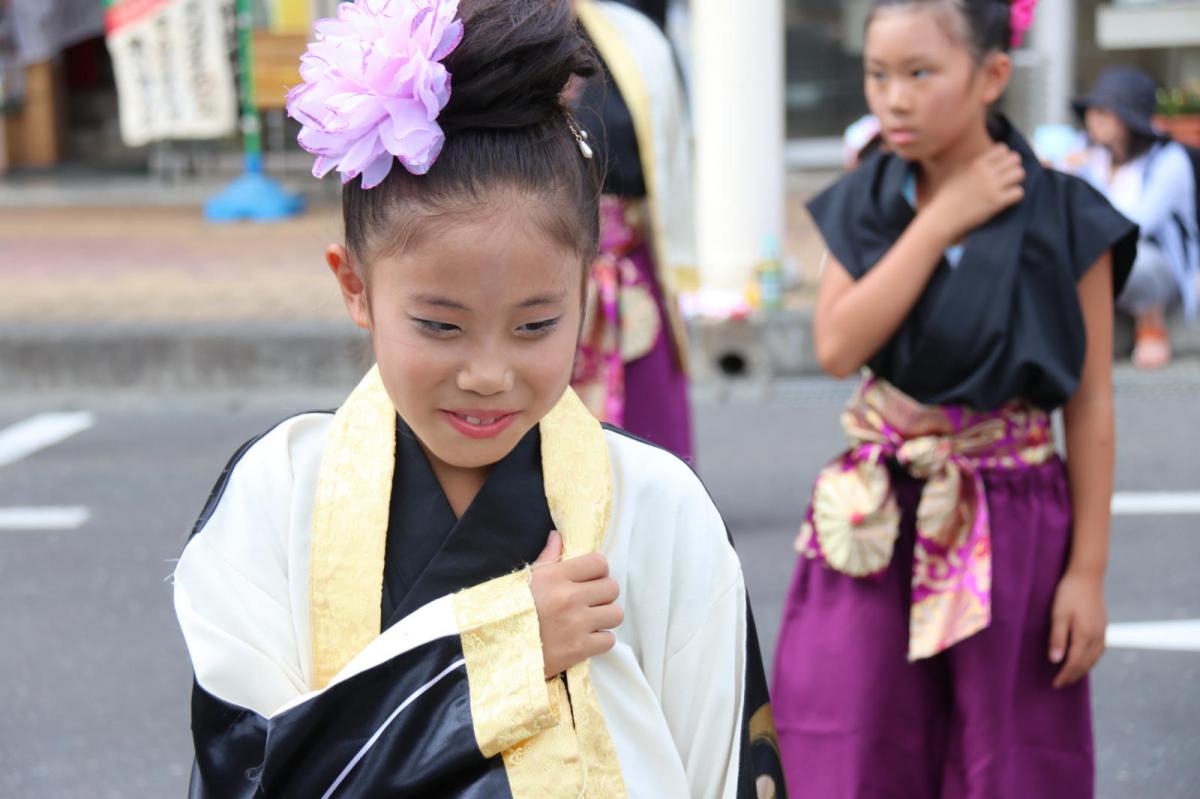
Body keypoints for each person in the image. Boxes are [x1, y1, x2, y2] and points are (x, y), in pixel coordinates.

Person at [173, 1, 785, 796]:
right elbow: (251, 773)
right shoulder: (276, 494)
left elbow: (723, 770)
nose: (489, 373)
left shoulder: (663, 507)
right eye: (439, 324)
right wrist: (504, 646)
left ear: (588, 291)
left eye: (535, 324)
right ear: (353, 285)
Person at [770, 1, 1137, 797]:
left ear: (992, 76)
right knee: (856, 740)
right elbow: (837, 346)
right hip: (880, 507)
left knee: (1005, 755)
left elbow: (1093, 401)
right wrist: (940, 222)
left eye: (920, 73)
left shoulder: (1070, 216)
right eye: (877, 75)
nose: (892, 98)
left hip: (1013, 515)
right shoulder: (870, 197)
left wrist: (1089, 572)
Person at [570, 0, 696, 462]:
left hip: (629, 278)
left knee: (651, 452)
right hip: (527, 274)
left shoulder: (634, 36)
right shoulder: (470, 24)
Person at [1065, 66, 1199, 369]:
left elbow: (1137, 224)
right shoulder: (1084, 155)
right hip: (1093, 255)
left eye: (1104, 112)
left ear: (1129, 118)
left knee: (1130, 259)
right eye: (1092, 111)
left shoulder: (1167, 160)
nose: (1093, 120)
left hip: (1156, 265)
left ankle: (1151, 322)